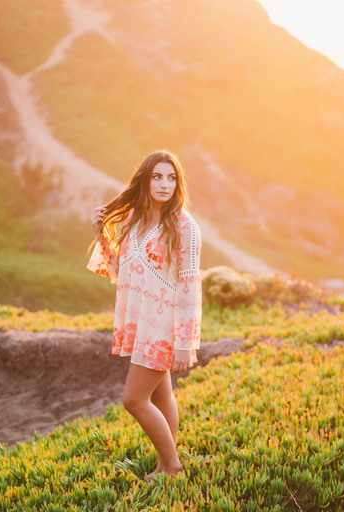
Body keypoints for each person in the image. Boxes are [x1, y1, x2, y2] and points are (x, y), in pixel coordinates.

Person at [87, 150, 202, 479]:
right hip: (141, 321)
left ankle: (173, 467)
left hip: (163, 326)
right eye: (157, 176)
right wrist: (102, 233)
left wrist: (184, 341)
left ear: (178, 184)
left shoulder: (184, 226)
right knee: (161, 393)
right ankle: (165, 462)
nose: (165, 184)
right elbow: (123, 271)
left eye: (171, 178)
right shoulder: (135, 220)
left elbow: (190, 286)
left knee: (134, 399)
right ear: (145, 179)